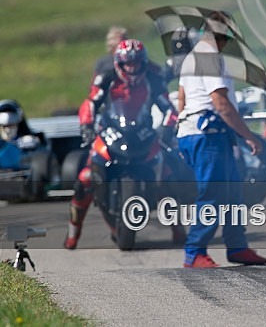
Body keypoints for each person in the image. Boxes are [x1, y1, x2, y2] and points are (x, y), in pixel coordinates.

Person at [64, 38, 184, 250]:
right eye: (128, 63)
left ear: (143, 63)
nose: (132, 68)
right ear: (118, 63)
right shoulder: (107, 77)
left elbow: (169, 108)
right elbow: (91, 103)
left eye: (136, 63)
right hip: (110, 131)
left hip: (143, 133)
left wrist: (167, 129)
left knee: (167, 175)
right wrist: (86, 126)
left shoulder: (153, 79)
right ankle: (73, 233)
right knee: (84, 179)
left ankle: (178, 228)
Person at [176, 11, 266, 268]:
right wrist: (248, 136)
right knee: (214, 193)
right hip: (208, 135)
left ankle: (237, 246)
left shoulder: (191, 58)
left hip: (199, 133)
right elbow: (221, 103)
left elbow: (182, 100)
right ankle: (194, 252)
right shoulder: (210, 57)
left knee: (232, 193)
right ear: (225, 35)